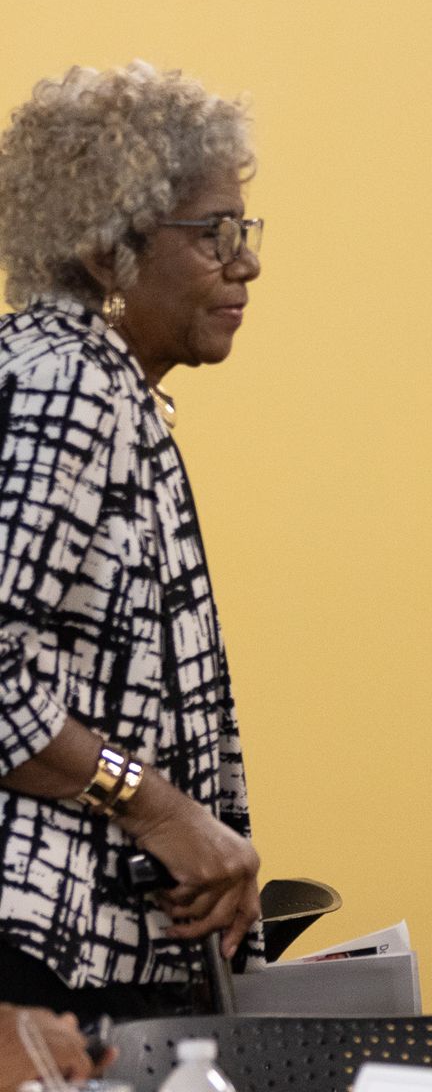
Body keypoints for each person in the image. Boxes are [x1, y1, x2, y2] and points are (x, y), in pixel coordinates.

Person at [0, 63, 265, 1021]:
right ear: (108, 249)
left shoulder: (91, 381)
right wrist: (160, 809)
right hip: (40, 956)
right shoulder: (69, 388)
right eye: (215, 235)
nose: (247, 264)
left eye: (245, 232)